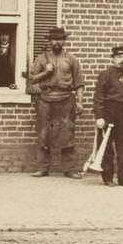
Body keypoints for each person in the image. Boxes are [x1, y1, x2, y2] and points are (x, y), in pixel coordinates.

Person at [26, 26, 84, 178]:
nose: (57, 42)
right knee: (43, 132)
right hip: (46, 98)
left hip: (66, 98)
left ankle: (69, 168)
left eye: (60, 39)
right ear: (50, 41)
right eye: (54, 39)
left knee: (67, 132)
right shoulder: (41, 59)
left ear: (64, 41)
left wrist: (79, 102)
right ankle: (42, 167)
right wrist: (46, 71)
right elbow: (31, 79)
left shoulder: (72, 59)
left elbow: (79, 82)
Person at [93, 44, 123, 187]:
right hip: (108, 112)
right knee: (105, 146)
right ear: (112, 59)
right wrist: (99, 116)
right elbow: (98, 96)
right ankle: (108, 177)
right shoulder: (105, 74)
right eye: (119, 57)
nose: (122, 60)